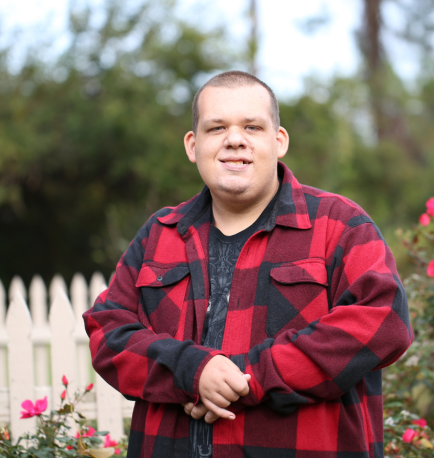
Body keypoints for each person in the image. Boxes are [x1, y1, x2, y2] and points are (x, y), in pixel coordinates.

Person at [83, 71, 413, 458]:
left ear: (279, 141)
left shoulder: (338, 224)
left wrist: (248, 376)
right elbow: (108, 331)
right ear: (193, 145)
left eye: (252, 126)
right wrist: (191, 369)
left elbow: (384, 319)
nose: (234, 139)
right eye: (216, 127)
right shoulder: (161, 234)